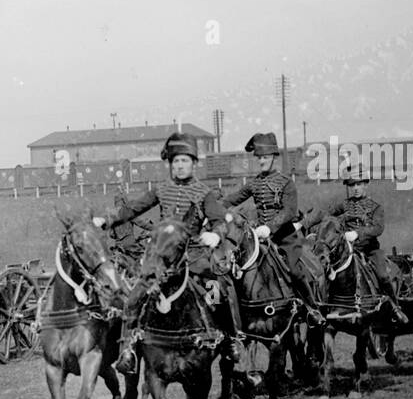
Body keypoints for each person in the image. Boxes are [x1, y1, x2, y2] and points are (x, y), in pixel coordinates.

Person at [109, 132, 244, 368]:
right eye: (176, 161)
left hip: (195, 257)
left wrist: (216, 234)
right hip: (164, 260)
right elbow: (132, 209)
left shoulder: (204, 193)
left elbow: (222, 220)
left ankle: (231, 340)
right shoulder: (161, 190)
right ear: (170, 165)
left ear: (193, 163)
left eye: (184, 161)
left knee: (221, 291)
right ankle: (128, 349)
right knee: (133, 298)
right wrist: (105, 220)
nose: (180, 166)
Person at [224, 133, 325, 326]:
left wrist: (269, 228)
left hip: (286, 237)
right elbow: (233, 198)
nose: (262, 161)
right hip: (260, 239)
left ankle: (312, 309)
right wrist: (213, 206)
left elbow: (289, 211)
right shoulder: (254, 183)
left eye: (266, 157)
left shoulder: (286, 182)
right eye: (259, 158)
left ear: (273, 158)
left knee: (295, 271)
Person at [303, 167, 409, 326]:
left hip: (370, 250)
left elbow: (378, 228)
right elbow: (325, 214)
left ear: (366, 184)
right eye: (352, 185)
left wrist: (358, 234)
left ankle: (395, 308)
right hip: (346, 251)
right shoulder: (344, 205)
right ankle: (322, 306)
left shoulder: (375, 207)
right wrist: (304, 224)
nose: (356, 188)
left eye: (359, 184)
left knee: (383, 275)